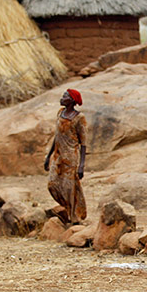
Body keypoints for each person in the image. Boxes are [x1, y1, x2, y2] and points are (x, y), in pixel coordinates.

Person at [44, 89, 87, 225]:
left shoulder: (79, 118)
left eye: (65, 96)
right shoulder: (60, 113)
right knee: (52, 184)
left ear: (72, 100)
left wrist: (81, 165)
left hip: (71, 157)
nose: (62, 98)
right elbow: (57, 136)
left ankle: (74, 217)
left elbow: (83, 143)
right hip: (58, 156)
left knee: (70, 188)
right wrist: (48, 156)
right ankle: (69, 208)